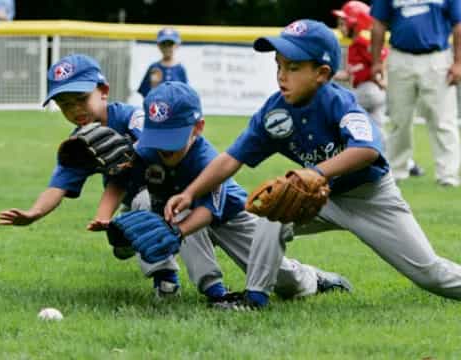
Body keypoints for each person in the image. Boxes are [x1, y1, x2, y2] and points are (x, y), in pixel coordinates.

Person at [165, 19, 461, 306]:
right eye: (278, 65)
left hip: (370, 198)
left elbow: (367, 150)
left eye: (293, 68)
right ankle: (254, 299)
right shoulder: (275, 113)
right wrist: (190, 193)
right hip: (321, 199)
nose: (282, 75)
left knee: (429, 273)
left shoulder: (338, 103)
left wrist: (315, 172)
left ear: (321, 73)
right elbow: (231, 159)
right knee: (274, 208)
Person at [90, 81, 352, 309]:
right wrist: (106, 217)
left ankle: (312, 278)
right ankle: (180, 284)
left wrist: (177, 232)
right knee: (145, 202)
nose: (163, 148)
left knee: (282, 279)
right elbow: (120, 182)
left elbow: (207, 211)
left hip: (228, 216)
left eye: (173, 138)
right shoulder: (144, 151)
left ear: (198, 128)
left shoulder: (206, 160)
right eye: (158, 137)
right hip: (179, 212)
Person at [0, 53, 183, 298]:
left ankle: (166, 281)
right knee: (123, 240)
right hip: (130, 198)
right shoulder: (81, 144)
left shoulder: (131, 118)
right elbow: (58, 186)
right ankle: (133, 238)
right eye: (65, 104)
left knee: (146, 210)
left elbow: (162, 147)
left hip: (174, 189)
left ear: (103, 90)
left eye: (81, 98)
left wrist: (135, 151)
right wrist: (35, 213)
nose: (75, 109)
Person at [371, 0, 461, 186]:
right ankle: (396, 171)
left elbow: (458, 24)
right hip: (399, 57)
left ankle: (448, 175)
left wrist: (458, 62)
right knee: (399, 119)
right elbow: (378, 24)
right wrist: (376, 61)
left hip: (437, 57)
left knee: (443, 120)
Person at [332, 1, 424, 177]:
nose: (340, 26)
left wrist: (384, 80)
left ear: (355, 22)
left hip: (369, 91)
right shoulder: (354, 45)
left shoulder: (361, 42)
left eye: (344, 22)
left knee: (338, 112)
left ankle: (337, 158)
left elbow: (383, 56)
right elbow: (349, 75)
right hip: (369, 91)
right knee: (378, 132)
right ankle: (409, 164)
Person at [137, 27, 188, 98]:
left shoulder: (180, 69)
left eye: (170, 44)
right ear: (158, 45)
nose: (167, 47)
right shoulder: (154, 67)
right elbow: (145, 92)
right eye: (164, 44)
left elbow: (185, 95)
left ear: (177, 45)